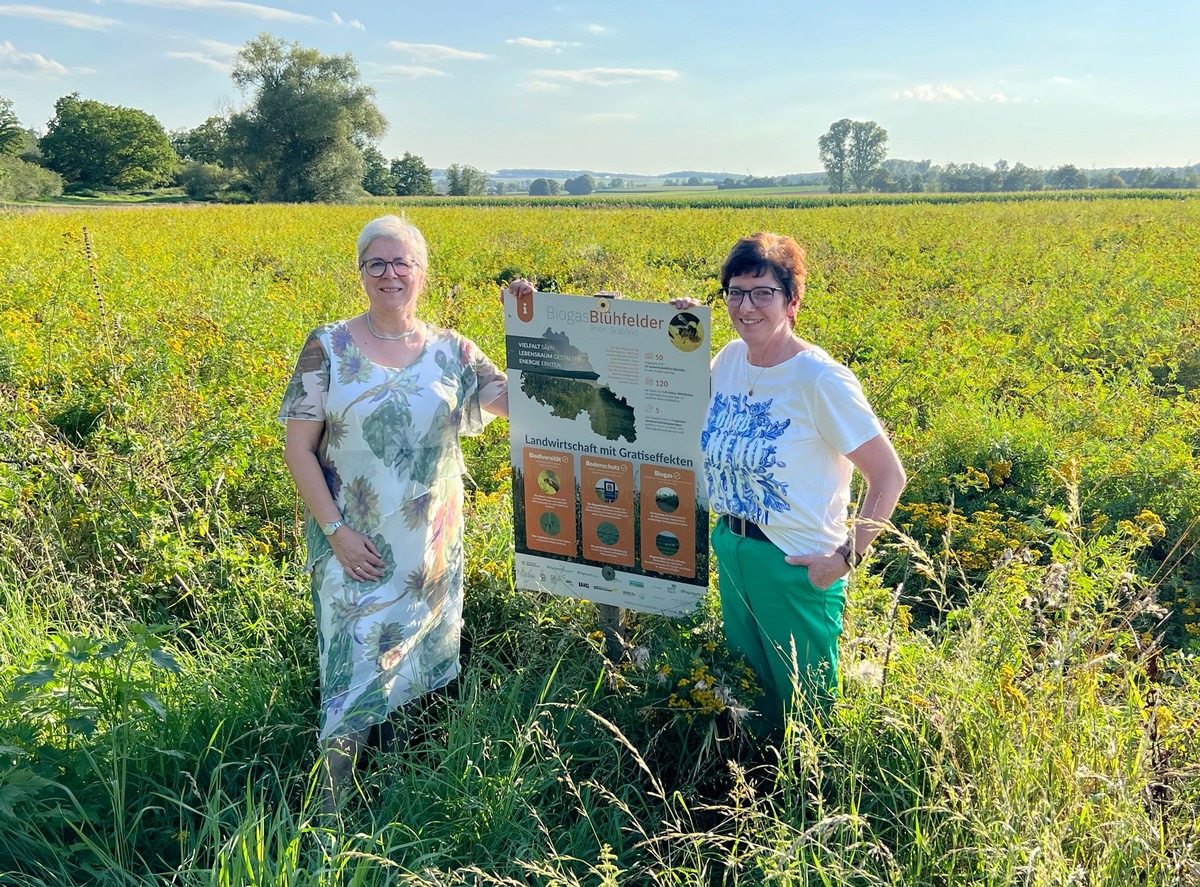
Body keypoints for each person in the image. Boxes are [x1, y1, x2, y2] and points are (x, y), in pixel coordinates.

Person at [279, 214, 527, 810]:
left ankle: (391, 789)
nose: (390, 274)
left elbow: (522, 403)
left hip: (428, 549)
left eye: (402, 263)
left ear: (423, 273)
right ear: (361, 272)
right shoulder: (328, 346)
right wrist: (335, 531)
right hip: (354, 545)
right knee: (352, 666)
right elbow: (298, 450)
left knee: (413, 662)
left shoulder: (454, 352)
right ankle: (327, 812)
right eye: (376, 264)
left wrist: (528, 330)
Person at [678, 232, 907, 739]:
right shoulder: (729, 361)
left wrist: (845, 559)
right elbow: (666, 391)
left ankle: (809, 803)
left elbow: (888, 476)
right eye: (735, 292)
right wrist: (675, 329)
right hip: (734, 547)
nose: (747, 306)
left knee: (807, 709)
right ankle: (753, 795)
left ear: (793, 301)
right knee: (751, 697)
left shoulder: (820, 379)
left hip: (796, 563)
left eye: (763, 293)